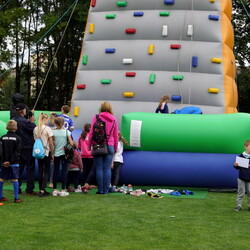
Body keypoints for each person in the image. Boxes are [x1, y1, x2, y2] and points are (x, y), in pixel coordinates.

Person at [87, 101, 119, 194]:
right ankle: (106, 190)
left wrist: (89, 145)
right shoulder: (113, 119)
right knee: (107, 168)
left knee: (99, 169)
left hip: (98, 146)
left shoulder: (96, 117)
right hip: (110, 145)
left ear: (101, 108)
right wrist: (115, 147)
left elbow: (92, 132)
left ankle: (100, 190)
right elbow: (116, 135)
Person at [13, 103, 36, 195]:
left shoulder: (13, 120)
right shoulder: (26, 122)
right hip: (28, 147)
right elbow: (34, 130)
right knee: (30, 169)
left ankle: (17, 188)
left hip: (17, 148)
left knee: (19, 169)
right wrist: (32, 120)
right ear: (23, 111)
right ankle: (29, 190)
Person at [0, 120, 22, 203]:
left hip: (4, 163)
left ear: (6, 127)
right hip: (14, 163)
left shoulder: (2, 137)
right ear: (16, 128)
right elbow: (17, 152)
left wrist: (3, 161)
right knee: (15, 179)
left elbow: (0, 151)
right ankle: (16, 198)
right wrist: (11, 161)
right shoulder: (18, 138)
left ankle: (1, 196)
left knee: (1, 179)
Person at [33, 113, 54, 197]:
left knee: (40, 170)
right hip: (46, 151)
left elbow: (35, 140)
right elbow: (51, 142)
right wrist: (52, 152)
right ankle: (42, 190)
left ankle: (41, 188)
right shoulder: (47, 129)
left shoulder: (35, 129)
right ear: (44, 119)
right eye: (47, 119)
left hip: (38, 151)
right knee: (46, 171)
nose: (48, 121)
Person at [52, 116, 73, 197]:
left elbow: (52, 143)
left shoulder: (53, 132)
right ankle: (63, 189)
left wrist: (53, 154)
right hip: (64, 154)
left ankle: (55, 189)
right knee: (64, 171)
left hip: (56, 153)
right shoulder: (66, 132)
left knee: (55, 171)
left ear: (56, 123)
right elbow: (71, 143)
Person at [233, 140, 250, 212]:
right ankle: (238, 206)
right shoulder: (241, 156)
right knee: (241, 192)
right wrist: (235, 165)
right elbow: (238, 168)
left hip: (249, 179)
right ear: (245, 147)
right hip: (241, 178)